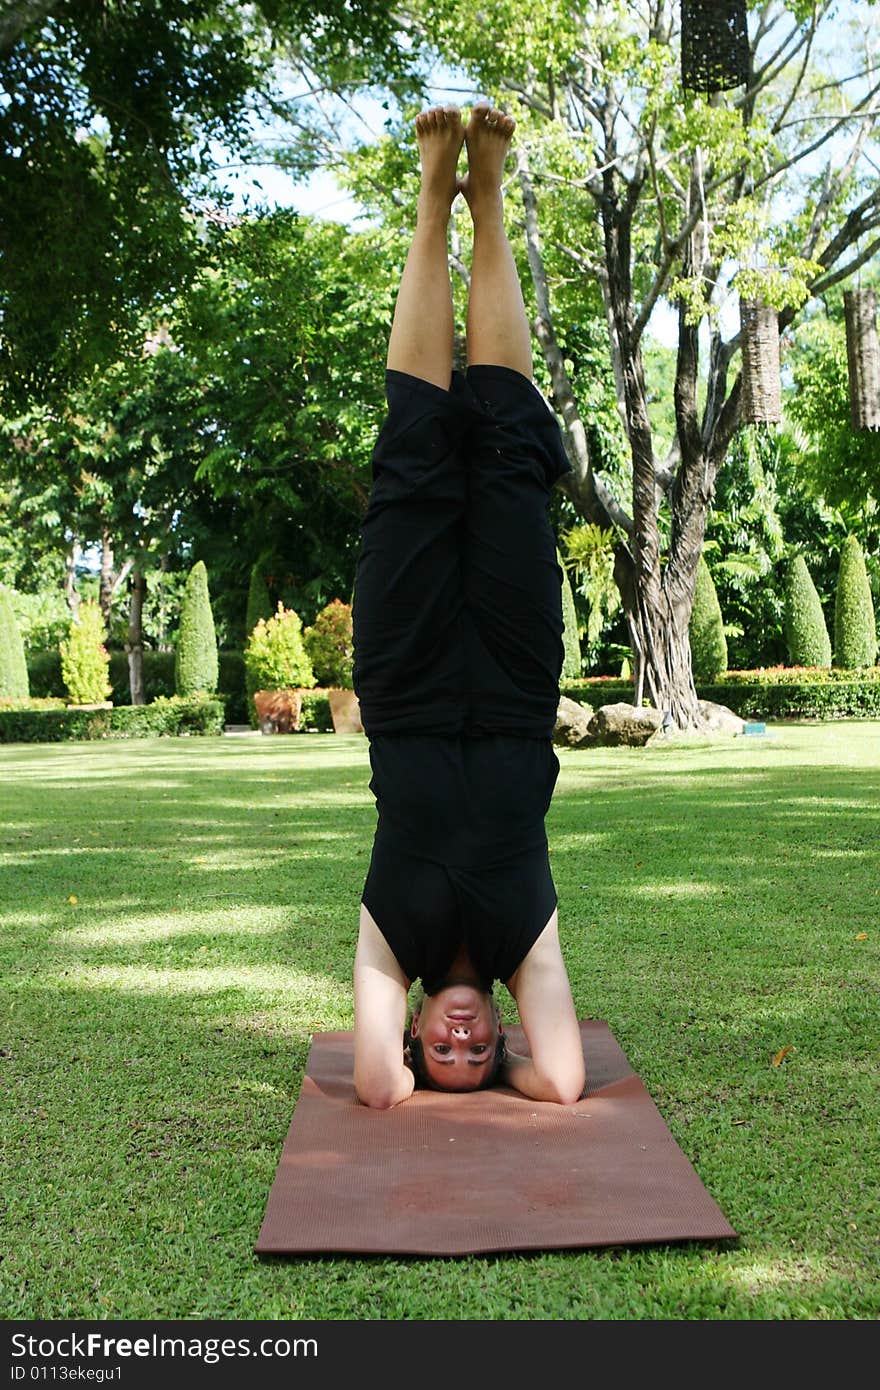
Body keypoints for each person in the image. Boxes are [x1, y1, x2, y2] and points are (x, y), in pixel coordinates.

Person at [351, 103, 585, 1109]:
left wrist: (399, 1075)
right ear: (500, 1033)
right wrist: (516, 1074)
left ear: (408, 1034)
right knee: (506, 460)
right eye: (476, 1054)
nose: (458, 1042)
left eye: (437, 1053)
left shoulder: (387, 941)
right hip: (512, 685)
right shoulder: (522, 937)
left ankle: (428, 199)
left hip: (402, 682)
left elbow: (371, 1086)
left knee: (413, 453)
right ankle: (485, 197)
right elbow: (566, 1080)